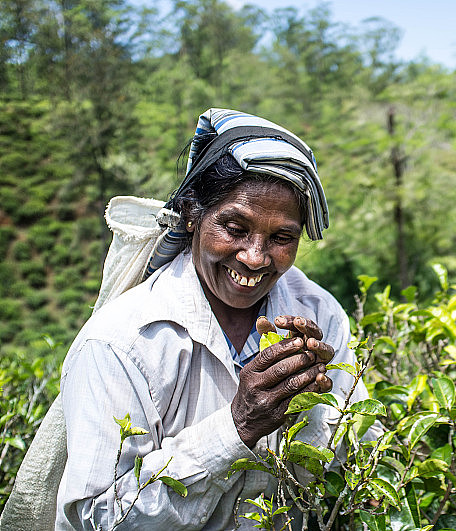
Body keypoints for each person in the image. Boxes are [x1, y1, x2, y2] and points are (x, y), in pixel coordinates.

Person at [54, 108, 376, 529]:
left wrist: (319, 403)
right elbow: (99, 517)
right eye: (235, 228)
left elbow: (360, 471)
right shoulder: (123, 343)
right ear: (192, 215)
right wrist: (237, 425)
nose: (255, 257)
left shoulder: (320, 312)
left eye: (282, 237)